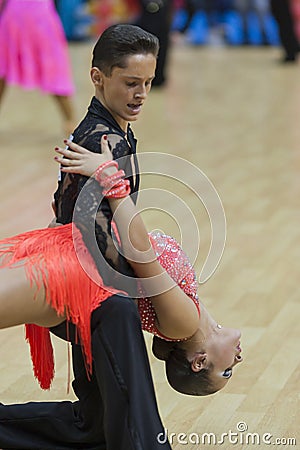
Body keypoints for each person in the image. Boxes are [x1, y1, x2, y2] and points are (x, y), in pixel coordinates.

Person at [0, 22, 173, 450]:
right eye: (131, 83)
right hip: (92, 284)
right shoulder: (104, 140)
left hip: (92, 278)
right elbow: (108, 234)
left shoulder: (110, 134)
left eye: (148, 83)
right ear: (97, 77)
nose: (141, 94)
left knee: (94, 423)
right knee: (124, 422)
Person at [0, 0, 75, 134]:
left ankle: (71, 121)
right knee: (54, 71)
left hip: (22, 20)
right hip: (36, 21)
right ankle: (71, 122)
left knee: (3, 70)